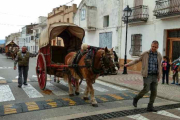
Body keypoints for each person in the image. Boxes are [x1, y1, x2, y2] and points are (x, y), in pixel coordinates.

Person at [125, 40, 162, 112]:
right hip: (147, 75)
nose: (153, 48)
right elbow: (137, 60)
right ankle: (136, 98)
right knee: (146, 89)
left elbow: (159, 65)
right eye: (152, 46)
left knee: (154, 92)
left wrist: (159, 75)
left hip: (155, 76)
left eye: (155, 47)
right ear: (151, 46)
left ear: (157, 47)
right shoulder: (145, 53)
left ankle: (150, 106)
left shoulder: (159, 55)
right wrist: (128, 64)